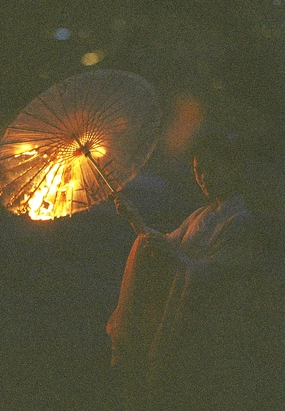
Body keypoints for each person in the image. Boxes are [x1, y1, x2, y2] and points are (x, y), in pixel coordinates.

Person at [107, 134, 283, 410]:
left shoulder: (240, 220)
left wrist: (173, 256)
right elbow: (165, 244)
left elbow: (216, 273)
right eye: (198, 171)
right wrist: (134, 220)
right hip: (179, 315)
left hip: (207, 325)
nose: (204, 177)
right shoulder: (200, 215)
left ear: (230, 168)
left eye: (212, 169)